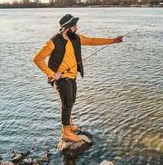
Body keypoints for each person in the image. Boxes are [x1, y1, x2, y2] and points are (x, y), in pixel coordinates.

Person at [33, 14, 123, 142]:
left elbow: (92, 41)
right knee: (67, 103)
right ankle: (66, 133)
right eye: (74, 26)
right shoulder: (53, 42)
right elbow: (37, 59)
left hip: (72, 76)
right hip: (60, 78)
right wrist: (51, 74)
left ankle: (68, 126)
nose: (77, 28)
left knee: (71, 100)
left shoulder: (76, 38)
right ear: (67, 28)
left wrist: (113, 40)